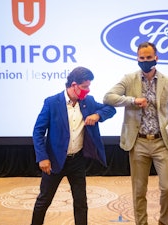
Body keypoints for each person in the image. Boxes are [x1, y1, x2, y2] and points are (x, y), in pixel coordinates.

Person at [103, 41, 168, 225]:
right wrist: (133, 100)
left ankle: (163, 221)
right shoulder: (129, 79)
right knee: (139, 190)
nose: (145, 61)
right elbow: (108, 97)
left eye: (148, 58)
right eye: (141, 58)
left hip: (163, 143)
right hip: (138, 143)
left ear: (156, 58)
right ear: (137, 59)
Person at [31, 66, 116, 225]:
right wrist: (42, 157)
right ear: (74, 85)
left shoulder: (88, 102)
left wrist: (98, 115)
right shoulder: (52, 102)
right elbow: (38, 131)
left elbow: (110, 109)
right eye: (85, 87)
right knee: (44, 200)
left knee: (81, 202)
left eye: (89, 86)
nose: (88, 90)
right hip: (54, 160)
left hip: (77, 161)